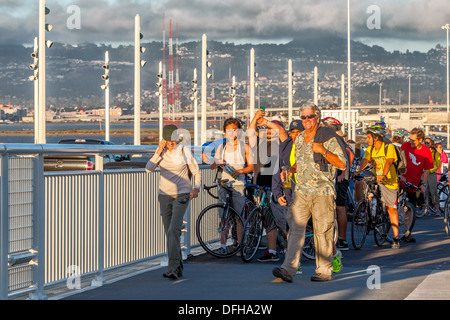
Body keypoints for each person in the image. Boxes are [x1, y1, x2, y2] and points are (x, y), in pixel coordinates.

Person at [272, 104, 346, 283]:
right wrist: (289, 171)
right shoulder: (298, 139)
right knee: (296, 230)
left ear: (318, 118)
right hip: (302, 191)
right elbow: (299, 162)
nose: (306, 120)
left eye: (309, 116)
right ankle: (288, 269)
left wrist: (323, 151)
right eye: (303, 117)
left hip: (323, 192)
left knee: (323, 232)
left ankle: (324, 271)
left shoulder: (328, 137)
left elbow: (342, 164)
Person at [145, 124, 201, 280]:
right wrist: (157, 152)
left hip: (182, 195)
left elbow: (196, 171)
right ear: (164, 139)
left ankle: (172, 269)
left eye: (174, 139)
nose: (171, 142)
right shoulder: (161, 152)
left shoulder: (184, 151)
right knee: (169, 233)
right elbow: (148, 168)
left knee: (173, 231)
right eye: (168, 139)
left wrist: (196, 188)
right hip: (164, 196)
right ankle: (177, 268)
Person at [248, 110, 288, 262]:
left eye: (273, 129)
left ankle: (291, 250)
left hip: (277, 188)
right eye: (267, 129)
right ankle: (272, 251)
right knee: (268, 220)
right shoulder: (259, 143)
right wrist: (256, 117)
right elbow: (251, 132)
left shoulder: (283, 146)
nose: (268, 131)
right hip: (261, 186)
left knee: (282, 220)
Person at [210, 118, 254, 253]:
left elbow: (252, 167)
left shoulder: (244, 147)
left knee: (239, 216)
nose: (231, 132)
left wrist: (240, 171)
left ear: (239, 131)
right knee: (224, 216)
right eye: (228, 130)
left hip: (239, 184)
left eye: (234, 130)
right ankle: (223, 246)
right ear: (224, 132)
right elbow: (212, 166)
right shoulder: (221, 147)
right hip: (224, 183)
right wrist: (217, 163)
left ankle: (240, 245)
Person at [357, 124, 401, 248]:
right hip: (376, 177)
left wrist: (383, 174)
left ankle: (396, 238)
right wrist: (357, 171)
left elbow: (388, 162)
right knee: (369, 193)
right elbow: (365, 161)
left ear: (376, 138)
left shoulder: (389, 147)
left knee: (391, 208)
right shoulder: (370, 149)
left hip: (389, 180)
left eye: (369, 137)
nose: (367, 140)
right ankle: (370, 216)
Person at [271, 119, 304, 272]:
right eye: (293, 132)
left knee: (317, 230)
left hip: (307, 193)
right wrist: (277, 193)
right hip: (290, 194)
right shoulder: (285, 147)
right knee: (292, 228)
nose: (295, 135)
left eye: (298, 132)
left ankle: (332, 255)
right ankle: (293, 264)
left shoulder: (309, 146)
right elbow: (278, 171)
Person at [322, 117, 354, 252]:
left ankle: (342, 239)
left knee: (340, 207)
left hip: (339, 177)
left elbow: (349, 156)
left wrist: (342, 174)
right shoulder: (328, 138)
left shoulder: (337, 139)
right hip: (329, 176)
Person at [399, 128, 434, 243]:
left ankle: (408, 232)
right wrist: (400, 174)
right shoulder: (405, 146)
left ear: (420, 140)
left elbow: (427, 170)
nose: (411, 142)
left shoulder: (426, 151)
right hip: (401, 180)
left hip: (413, 183)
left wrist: (423, 184)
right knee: (396, 204)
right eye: (410, 139)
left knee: (410, 208)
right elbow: (398, 161)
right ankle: (392, 229)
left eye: (413, 140)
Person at [424, 137, 441, 215]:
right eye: (425, 143)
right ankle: (426, 209)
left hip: (431, 173)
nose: (427, 144)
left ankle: (437, 209)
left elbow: (438, 164)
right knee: (425, 191)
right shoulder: (422, 151)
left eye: (428, 143)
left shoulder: (434, 152)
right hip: (423, 173)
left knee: (433, 191)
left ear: (431, 144)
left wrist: (430, 170)